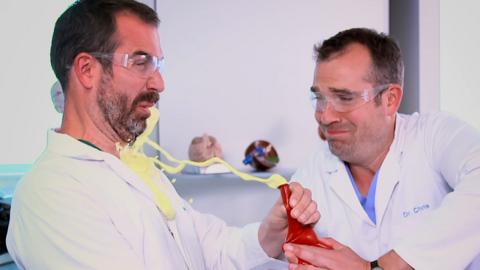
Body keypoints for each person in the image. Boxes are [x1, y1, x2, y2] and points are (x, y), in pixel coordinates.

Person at [6, 1, 320, 269]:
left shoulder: (135, 170)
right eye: (141, 62)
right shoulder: (51, 194)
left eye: (158, 65)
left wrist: (267, 235)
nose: (158, 83)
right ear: (87, 70)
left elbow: (207, 245)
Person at [282, 28, 480, 270]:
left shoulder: (433, 136)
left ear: (390, 99)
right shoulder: (311, 176)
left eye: (344, 98)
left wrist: (379, 268)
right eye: (319, 99)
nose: (324, 115)